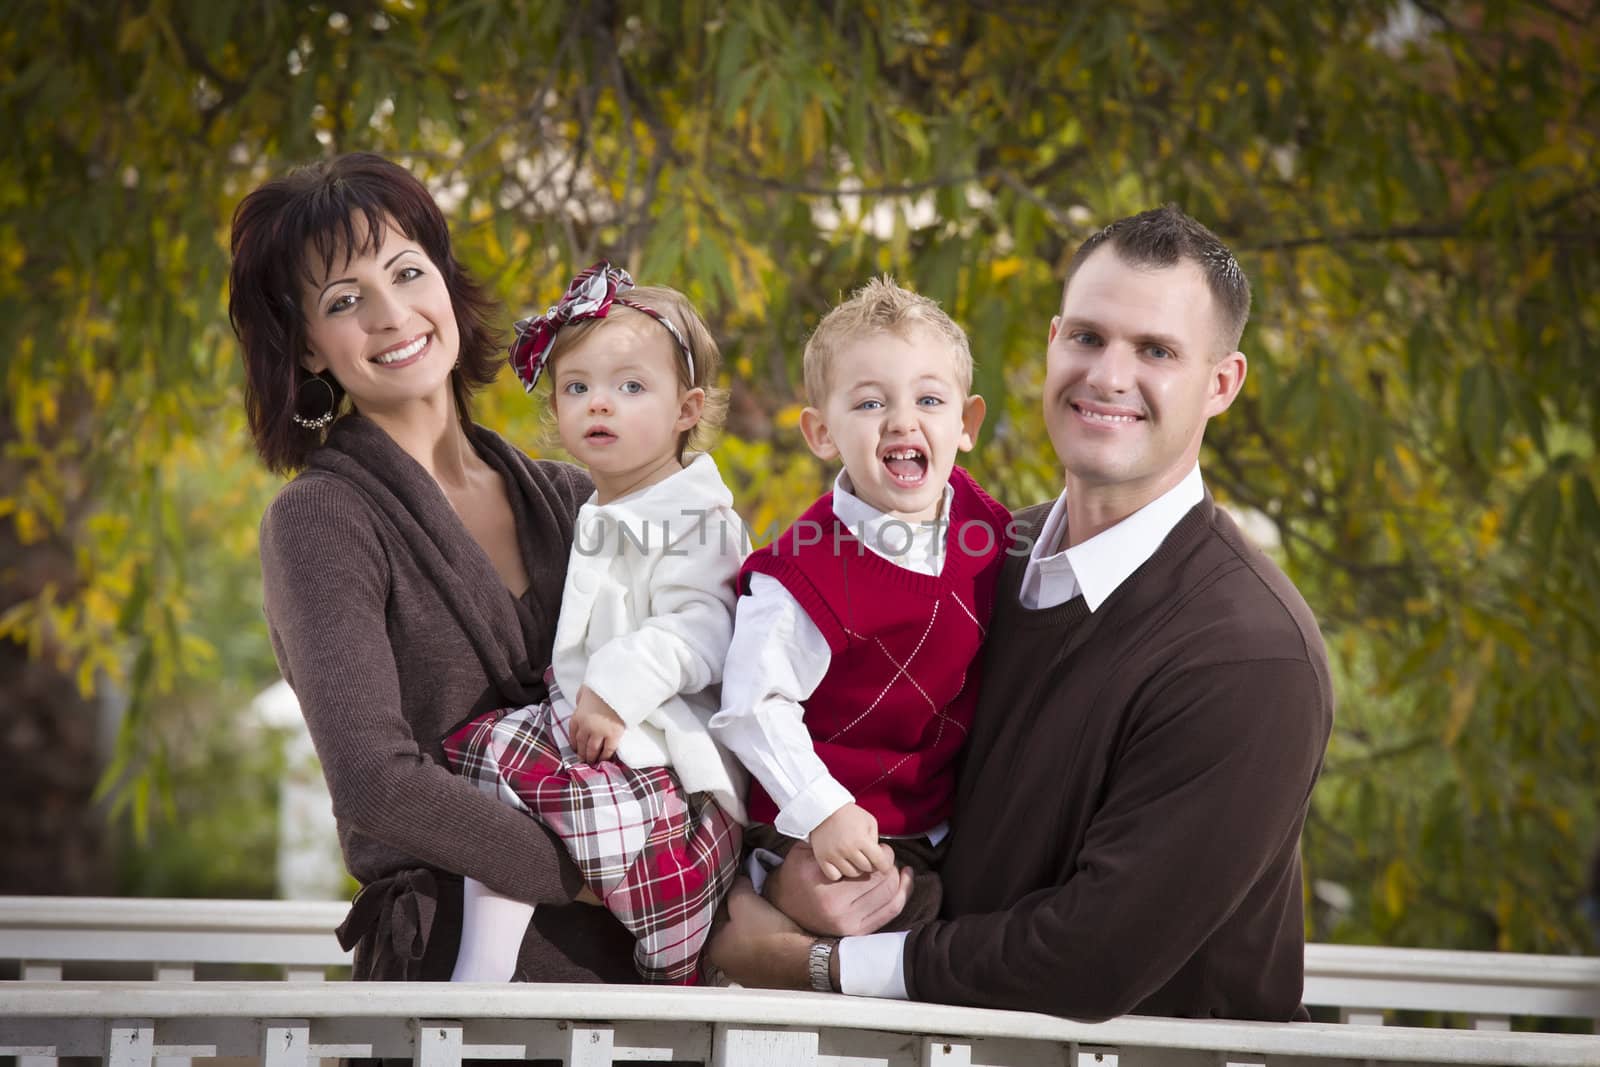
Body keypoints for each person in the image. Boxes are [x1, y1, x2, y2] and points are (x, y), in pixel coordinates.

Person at [707, 206, 1335, 1023]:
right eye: (1087, 337)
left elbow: (1091, 956)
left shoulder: (1250, 657)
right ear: (1050, 343)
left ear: (1222, 383)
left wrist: (818, 964)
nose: (1108, 375)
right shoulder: (978, 557)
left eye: (1156, 351)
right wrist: (793, 874)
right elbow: (855, 752)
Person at [233, 153, 638, 983]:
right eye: (344, 301)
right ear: (309, 350)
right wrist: (598, 868)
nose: (391, 315)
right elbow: (377, 784)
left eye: (407, 272)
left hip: (639, 966)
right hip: (454, 970)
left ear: (446, 286)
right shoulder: (321, 520)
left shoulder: (574, 498)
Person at [441, 263, 748, 985]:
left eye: (630, 387)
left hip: (664, 761)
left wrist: (614, 687)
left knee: (573, 806)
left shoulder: (697, 516)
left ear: (686, 408)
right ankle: (484, 961)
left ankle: (667, 958)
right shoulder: (597, 507)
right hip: (588, 729)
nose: (598, 404)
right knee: (489, 767)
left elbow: (706, 623)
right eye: (577, 387)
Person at [709, 277, 1010, 932]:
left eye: (929, 398)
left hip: (936, 814)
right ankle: (764, 895)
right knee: (880, 908)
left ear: (966, 425)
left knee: (980, 900)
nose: (904, 419)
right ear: (821, 432)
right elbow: (751, 706)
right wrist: (821, 809)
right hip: (819, 820)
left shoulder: (991, 534)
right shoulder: (803, 575)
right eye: (871, 402)